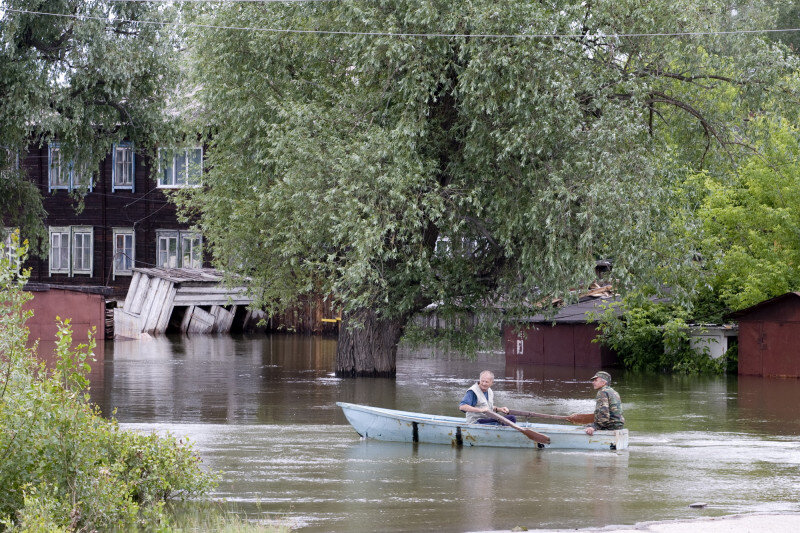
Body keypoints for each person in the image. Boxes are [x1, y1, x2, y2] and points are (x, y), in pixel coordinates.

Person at [584, 371, 625, 435]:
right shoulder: (614, 392)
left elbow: (604, 412)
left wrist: (595, 427)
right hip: (618, 426)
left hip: (610, 426)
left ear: (603, 382)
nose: (593, 382)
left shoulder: (602, 392)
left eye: (596, 380)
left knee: (585, 428)